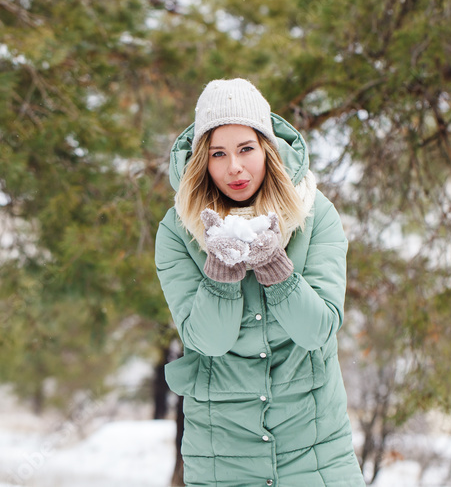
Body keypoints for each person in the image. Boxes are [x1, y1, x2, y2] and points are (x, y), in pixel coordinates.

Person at [155, 78, 365, 487]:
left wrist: (276, 267)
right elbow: (208, 342)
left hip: (316, 453)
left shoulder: (315, 215)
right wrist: (219, 274)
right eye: (218, 153)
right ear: (203, 161)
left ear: (267, 148)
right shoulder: (177, 231)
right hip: (223, 458)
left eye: (246, 148)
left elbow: (318, 329)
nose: (234, 166)